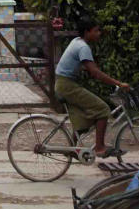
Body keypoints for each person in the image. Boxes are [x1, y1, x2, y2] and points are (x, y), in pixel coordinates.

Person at [54, 17, 130, 158]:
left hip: (64, 83)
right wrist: (118, 83)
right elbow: (95, 72)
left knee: (83, 115)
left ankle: (73, 149)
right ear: (87, 32)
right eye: (96, 31)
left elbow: (85, 67)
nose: (99, 33)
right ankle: (100, 148)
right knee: (102, 109)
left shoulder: (77, 42)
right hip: (67, 85)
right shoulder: (83, 47)